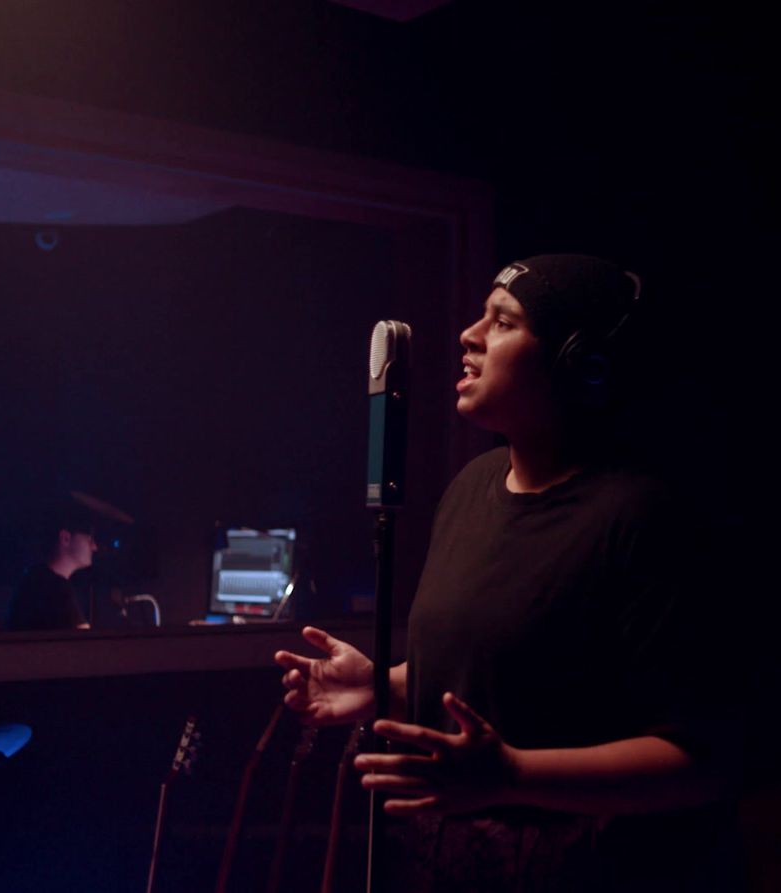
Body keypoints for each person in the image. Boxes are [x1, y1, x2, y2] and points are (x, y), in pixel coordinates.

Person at [274, 255, 738, 890]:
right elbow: (514, 678)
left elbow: (701, 761)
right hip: (449, 866)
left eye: (503, 321)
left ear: (580, 364)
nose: (469, 334)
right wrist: (385, 685)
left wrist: (514, 774)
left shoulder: (642, 518)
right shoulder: (472, 487)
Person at [5, 503, 99, 630]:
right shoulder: (53, 588)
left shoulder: (36, 579)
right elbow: (85, 642)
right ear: (65, 538)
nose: (94, 547)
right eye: (89, 539)